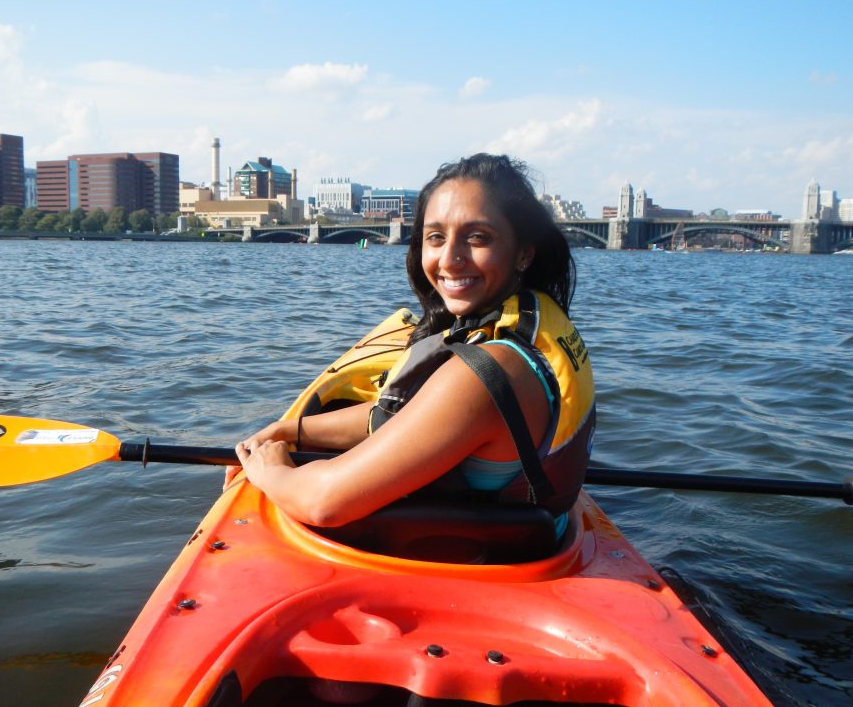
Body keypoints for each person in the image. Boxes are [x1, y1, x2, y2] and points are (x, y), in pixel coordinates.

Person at [233, 153, 596, 534]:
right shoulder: (517, 340)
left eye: (477, 237)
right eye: (436, 237)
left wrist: (270, 471)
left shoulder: (486, 374)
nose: (451, 259)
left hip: (478, 566)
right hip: (537, 536)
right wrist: (288, 430)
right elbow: (398, 415)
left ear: (523, 253)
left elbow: (323, 503)